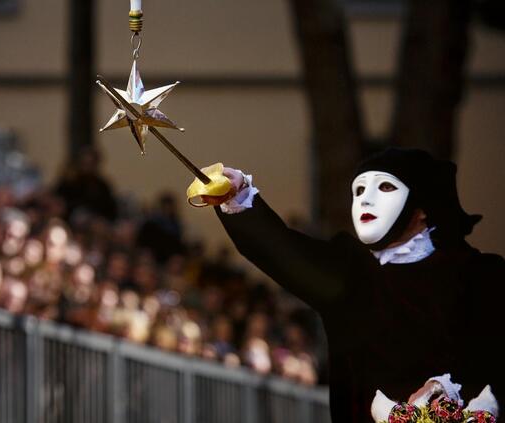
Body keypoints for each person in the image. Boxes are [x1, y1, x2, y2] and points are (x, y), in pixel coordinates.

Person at [196, 147, 503, 422]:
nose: (366, 199)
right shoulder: (351, 276)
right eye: (358, 190)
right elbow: (283, 252)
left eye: (384, 186)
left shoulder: (481, 276)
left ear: (422, 208)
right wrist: (237, 197)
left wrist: (455, 395)